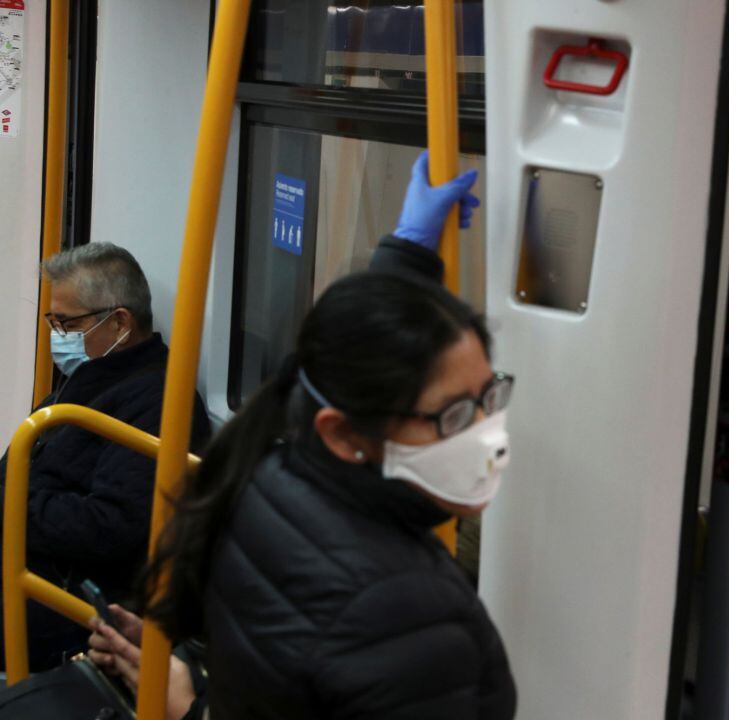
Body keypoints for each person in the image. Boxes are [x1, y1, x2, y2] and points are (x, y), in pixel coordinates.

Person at [142, 152, 516, 719]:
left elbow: (347, 356)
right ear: (343, 433)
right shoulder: (411, 619)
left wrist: (409, 247)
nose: (490, 438)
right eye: (457, 419)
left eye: (491, 398)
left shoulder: (266, 477)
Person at [0, 243, 211, 670]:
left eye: (67, 323)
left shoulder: (159, 404)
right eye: (53, 321)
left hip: (67, 603)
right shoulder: (84, 382)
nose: (58, 336)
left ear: (119, 323)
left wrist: (10, 505)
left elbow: (112, 525)